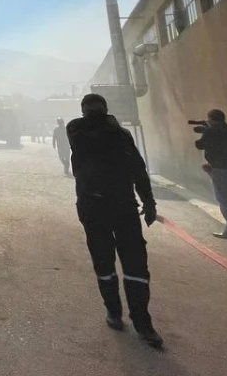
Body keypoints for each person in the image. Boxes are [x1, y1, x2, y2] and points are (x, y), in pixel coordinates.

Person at [67, 93, 164, 348]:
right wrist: (107, 122)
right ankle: (113, 311)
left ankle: (142, 321)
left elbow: (138, 169)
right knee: (104, 262)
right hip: (93, 207)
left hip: (124, 206)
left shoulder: (121, 136)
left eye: (96, 109)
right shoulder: (77, 130)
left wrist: (149, 201)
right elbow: (86, 141)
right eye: (89, 110)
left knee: (136, 265)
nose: (92, 114)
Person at [194, 109, 227, 241]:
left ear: (211, 120)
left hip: (221, 171)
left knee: (226, 201)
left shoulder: (211, 131)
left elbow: (199, 145)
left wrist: (206, 130)